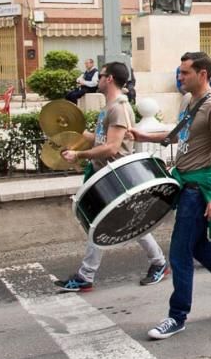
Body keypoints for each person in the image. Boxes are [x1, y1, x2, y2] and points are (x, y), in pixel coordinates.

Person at [131, 52, 211, 340]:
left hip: (199, 190)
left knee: (179, 252)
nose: (180, 76)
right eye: (180, 71)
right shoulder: (190, 102)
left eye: (185, 72)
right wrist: (143, 136)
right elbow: (178, 135)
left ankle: (177, 316)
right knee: (199, 248)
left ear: (202, 74)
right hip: (186, 185)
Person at [54, 62, 169, 292]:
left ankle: (86, 276)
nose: (98, 78)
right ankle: (159, 263)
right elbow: (99, 140)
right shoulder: (109, 107)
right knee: (129, 223)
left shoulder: (118, 108)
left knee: (102, 224)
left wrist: (79, 154)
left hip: (116, 176)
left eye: (101, 74)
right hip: (105, 174)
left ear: (109, 79)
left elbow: (112, 148)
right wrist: (70, 134)